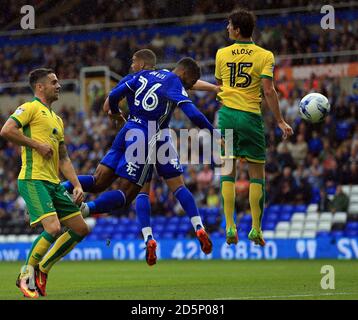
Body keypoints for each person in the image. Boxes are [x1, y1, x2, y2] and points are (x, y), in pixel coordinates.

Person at [63, 55, 218, 265]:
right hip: (156, 137)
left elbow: (111, 99)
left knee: (125, 185)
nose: (131, 65)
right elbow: (191, 107)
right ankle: (198, 226)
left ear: (142, 64)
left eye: (133, 62)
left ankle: (148, 238)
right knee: (171, 187)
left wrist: (117, 114)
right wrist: (215, 133)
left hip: (130, 129)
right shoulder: (172, 80)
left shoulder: (140, 76)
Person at [0, 68, 89, 298]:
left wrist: (77, 184)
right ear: (40, 87)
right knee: (53, 227)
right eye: (54, 82)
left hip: (53, 183)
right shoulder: (29, 108)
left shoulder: (57, 119)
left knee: (80, 228)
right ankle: (25, 276)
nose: (59, 85)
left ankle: (43, 269)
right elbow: (7, 130)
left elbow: (65, 157)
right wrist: (36, 145)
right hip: (32, 179)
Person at [215, 9, 293, 246]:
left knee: (228, 171)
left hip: (227, 115)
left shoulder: (221, 54)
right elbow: (268, 90)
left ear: (237, 30)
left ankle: (230, 226)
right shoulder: (265, 55)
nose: (227, 28)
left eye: (229, 25)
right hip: (250, 116)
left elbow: (220, 87)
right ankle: (256, 229)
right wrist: (279, 120)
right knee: (256, 175)